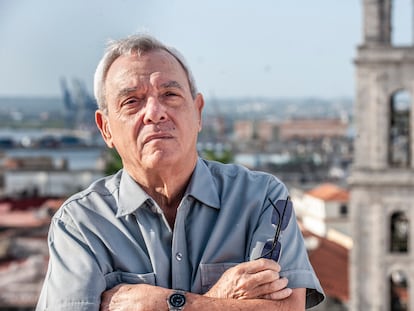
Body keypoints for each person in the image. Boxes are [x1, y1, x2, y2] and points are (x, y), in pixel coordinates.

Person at [36, 34, 324, 311]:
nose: (154, 112)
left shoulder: (262, 199)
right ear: (106, 128)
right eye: (132, 101)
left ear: (198, 113)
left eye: (170, 94)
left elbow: (285, 308)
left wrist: (159, 304)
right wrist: (221, 299)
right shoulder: (81, 225)